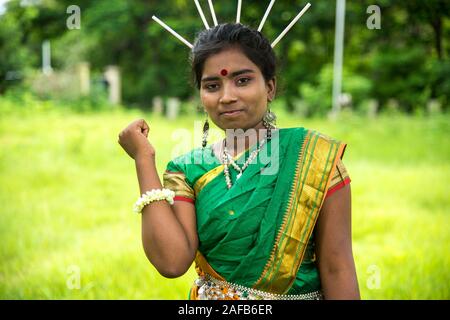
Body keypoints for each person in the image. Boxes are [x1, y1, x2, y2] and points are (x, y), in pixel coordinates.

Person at [118, 23, 360, 300]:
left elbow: (337, 268)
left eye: (242, 80)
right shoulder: (188, 169)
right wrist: (143, 159)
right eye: (212, 85)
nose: (227, 96)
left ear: (269, 87)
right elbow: (171, 263)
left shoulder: (315, 158)